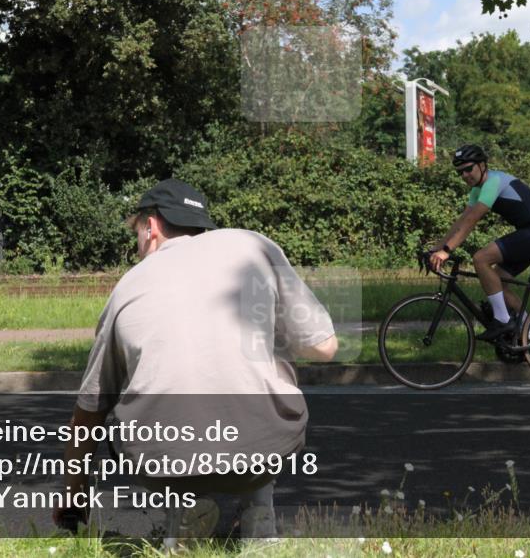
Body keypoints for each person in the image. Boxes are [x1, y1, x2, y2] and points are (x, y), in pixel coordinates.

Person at [52, 178, 338, 547]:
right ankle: (258, 515)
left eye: (137, 233)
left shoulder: (127, 286)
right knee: (266, 350)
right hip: (264, 451)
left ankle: (183, 511)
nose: (138, 246)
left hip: (164, 460)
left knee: (133, 398)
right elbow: (324, 348)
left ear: (151, 226)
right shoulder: (252, 245)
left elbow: (88, 411)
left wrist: (73, 496)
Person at [429, 145, 530, 341]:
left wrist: (447, 250)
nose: (464, 175)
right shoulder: (478, 188)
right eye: (460, 172)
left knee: (481, 258)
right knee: (497, 281)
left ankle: (503, 321)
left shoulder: (493, 181)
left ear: (482, 165)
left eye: (468, 169)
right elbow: (462, 220)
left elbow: (472, 220)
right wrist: (436, 248)